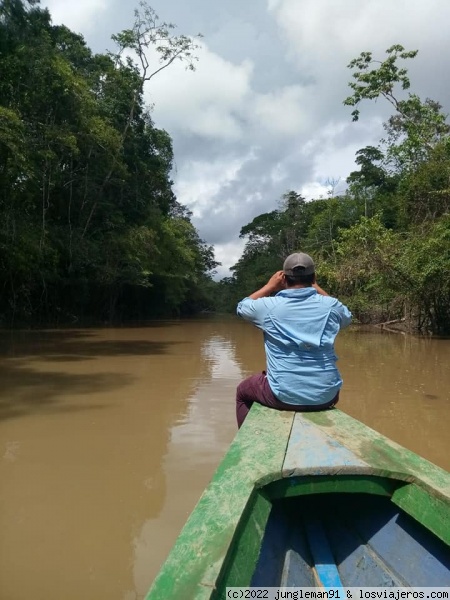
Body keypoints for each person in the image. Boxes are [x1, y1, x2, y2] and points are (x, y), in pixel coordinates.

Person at [235, 252, 352, 428]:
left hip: (282, 396)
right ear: (314, 277)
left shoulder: (269, 307)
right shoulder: (331, 307)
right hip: (327, 395)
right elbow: (346, 316)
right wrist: (315, 286)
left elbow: (242, 307)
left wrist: (269, 286)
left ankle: (249, 440)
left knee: (242, 392)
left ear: (284, 279)